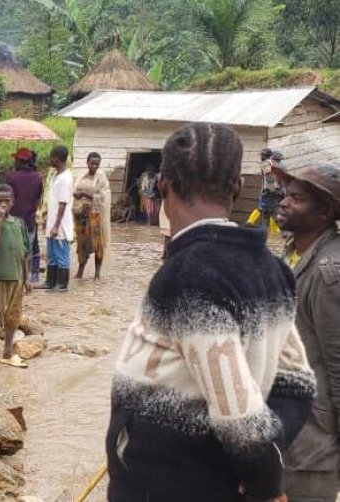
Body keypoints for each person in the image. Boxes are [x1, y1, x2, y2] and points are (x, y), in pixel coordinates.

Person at [106, 122, 315, 501]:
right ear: (237, 188)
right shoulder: (274, 270)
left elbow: (239, 415)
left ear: (162, 184)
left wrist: (264, 481)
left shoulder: (187, 278)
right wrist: (268, 456)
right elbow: (298, 383)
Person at [273, 162, 340, 502]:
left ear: (325, 211)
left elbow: (338, 361)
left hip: (314, 443)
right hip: (285, 429)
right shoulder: (291, 255)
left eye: (297, 199)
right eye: (287, 194)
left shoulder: (331, 271)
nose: (284, 202)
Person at [0, 183, 31, 374]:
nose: (3, 205)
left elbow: (25, 253)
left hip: (17, 278)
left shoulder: (19, 224)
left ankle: (8, 353)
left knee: (13, 316)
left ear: (13, 202)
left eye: (6, 201)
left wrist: (27, 278)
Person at [36, 145, 73, 292]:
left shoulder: (65, 178)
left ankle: (62, 284)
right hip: (51, 222)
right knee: (51, 254)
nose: (49, 160)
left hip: (61, 224)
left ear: (57, 159)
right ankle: (50, 281)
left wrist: (56, 225)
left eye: (51, 157)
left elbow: (63, 204)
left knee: (62, 254)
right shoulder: (55, 176)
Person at [6, 147, 44, 284]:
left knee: (14, 248)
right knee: (29, 249)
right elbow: (38, 199)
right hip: (30, 219)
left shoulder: (11, 177)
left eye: (15, 159)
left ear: (20, 161)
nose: (14, 161)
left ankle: (16, 276)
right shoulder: (38, 177)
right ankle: (29, 277)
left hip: (13, 220)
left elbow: (8, 199)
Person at [73, 152, 111, 280]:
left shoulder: (102, 178)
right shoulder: (81, 176)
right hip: (81, 214)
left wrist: (84, 193)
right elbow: (74, 190)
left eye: (97, 164)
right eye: (92, 163)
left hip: (96, 216)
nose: (94, 166)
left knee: (98, 244)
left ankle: (97, 273)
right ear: (87, 162)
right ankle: (80, 271)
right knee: (82, 244)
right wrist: (77, 195)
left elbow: (103, 197)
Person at [247, 149, 285, 234]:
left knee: (269, 212)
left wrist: (272, 189)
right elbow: (271, 177)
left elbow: (269, 177)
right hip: (272, 191)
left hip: (269, 192)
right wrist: (275, 190)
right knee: (270, 212)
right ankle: (282, 231)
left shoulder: (266, 163)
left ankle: (282, 231)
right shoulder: (270, 163)